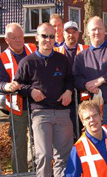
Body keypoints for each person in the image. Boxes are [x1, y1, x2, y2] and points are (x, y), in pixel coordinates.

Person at [15, 22, 74, 177]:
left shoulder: (63, 60)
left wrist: (68, 91)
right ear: (36, 37)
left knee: (64, 156)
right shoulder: (27, 62)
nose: (48, 39)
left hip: (62, 113)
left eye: (51, 36)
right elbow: (18, 84)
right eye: (44, 36)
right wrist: (31, 91)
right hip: (40, 114)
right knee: (45, 156)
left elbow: (70, 79)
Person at [0, 23, 36, 173]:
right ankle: (20, 174)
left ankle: (35, 172)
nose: (18, 40)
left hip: (37, 104)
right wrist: (6, 86)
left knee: (37, 142)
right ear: (7, 40)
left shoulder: (33, 49)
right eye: (14, 38)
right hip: (17, 107)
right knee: (18, 144)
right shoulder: (2, 58)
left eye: (20, 37)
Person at [54, 21, 88, 139]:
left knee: (84, 130)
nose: (71, 35)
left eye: (74, 32)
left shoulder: (87, 50)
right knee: (66, 133)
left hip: (84, 98)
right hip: (63, 99)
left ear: (78, 34)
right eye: (68, 32)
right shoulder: (55, 52)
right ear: (63, 34)